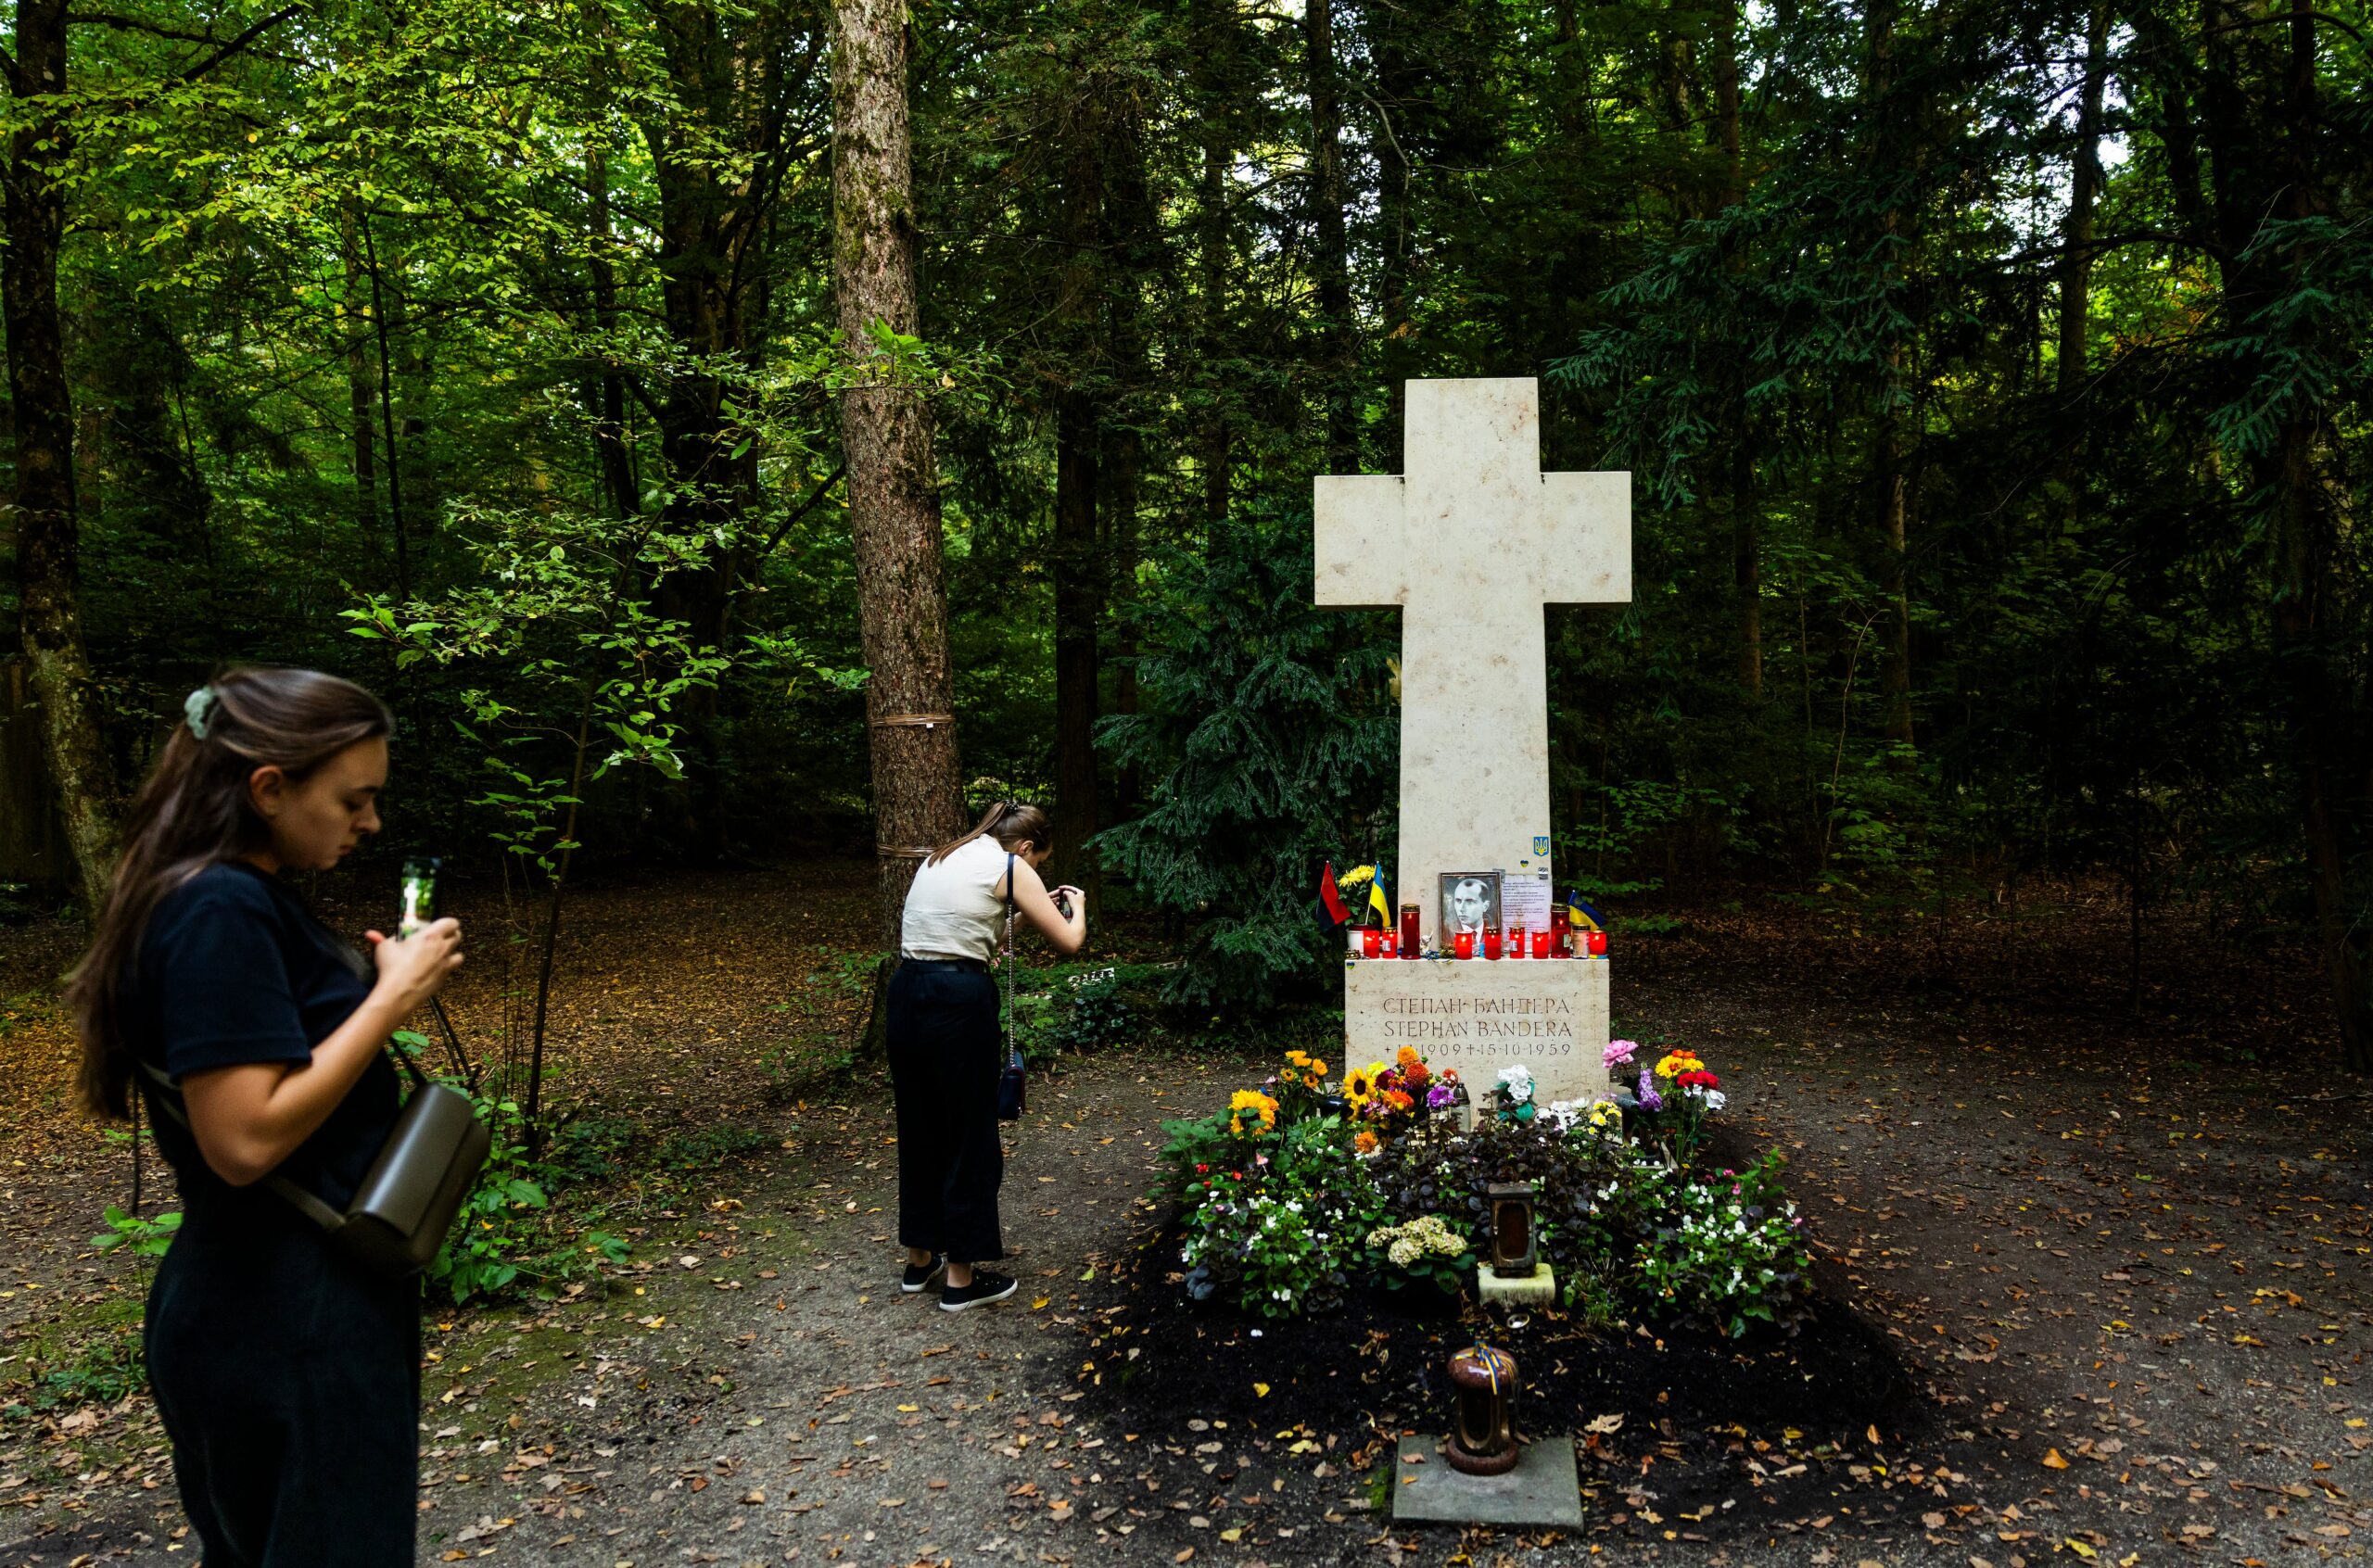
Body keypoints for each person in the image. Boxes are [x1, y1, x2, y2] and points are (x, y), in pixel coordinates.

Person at [63, 667, 464, 1568]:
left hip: (288, 1296)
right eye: (353, 799)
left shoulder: (238, 894)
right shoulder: (218, 907)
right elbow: (242, 1139)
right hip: (286, 1315)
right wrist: (389, 1002)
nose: (371, 822)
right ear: (269, 788)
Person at [890, 800, 1085, 1310]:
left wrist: (1020, 913)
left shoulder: (943, 855)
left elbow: (977, 930)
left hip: (908, 993)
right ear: (1025, 848)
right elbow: (1069, 941)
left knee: (921, 1126)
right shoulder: (1009, 865)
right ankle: (961, 1281)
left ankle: (919, 1261)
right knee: (969, 1134)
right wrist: (1077, 909)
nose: (1036, 872)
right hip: (957, 1004)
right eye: (1038, 862)